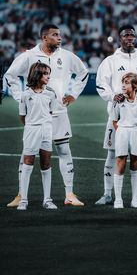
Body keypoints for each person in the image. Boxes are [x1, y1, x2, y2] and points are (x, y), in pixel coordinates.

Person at [5, 24, 89, 207]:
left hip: (59, 111)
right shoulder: (29, 56)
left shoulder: (66, 56)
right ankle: (21, 195)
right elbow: (9, 76)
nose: (59, 38)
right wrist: (21, 98)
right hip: (35, 114)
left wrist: (73, 93)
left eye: (60, 34)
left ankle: (69, 194)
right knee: (26, 155)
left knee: (64, 150)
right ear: (44, 38)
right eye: (55, 35)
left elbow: (83, 73)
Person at [95, 24, 137, 206]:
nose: (130, 38)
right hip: (117, 117)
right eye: (126, 35)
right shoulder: (110, 61)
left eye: (132, 35)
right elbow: (101, 84)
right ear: (120, 38)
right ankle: (107, 194)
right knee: (112, 155)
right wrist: (112, 96)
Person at [17, 62, 58, 211]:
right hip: (31, 130)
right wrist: (32, 126)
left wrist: (43, 125)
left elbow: (51, 113)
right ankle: (23, 200)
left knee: (46, 163)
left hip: (47, 130)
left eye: (49, 73)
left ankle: (47, 200)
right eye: (46, 73)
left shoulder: (51, 93)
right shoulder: (26, 94)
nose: (48, 76)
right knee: (28, 163)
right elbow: (23, 116)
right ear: (37, 75)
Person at [112, 72, 137, 209]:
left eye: (127, 83)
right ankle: (118, 199)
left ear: (135, 86)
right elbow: (114, 120)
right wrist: (122, 131)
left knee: (135, 163)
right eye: (123, 82)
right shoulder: (118, 100)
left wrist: (136, 131)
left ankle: (135, 199)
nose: (123, 85)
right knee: (120, 162)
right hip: (122, 131)